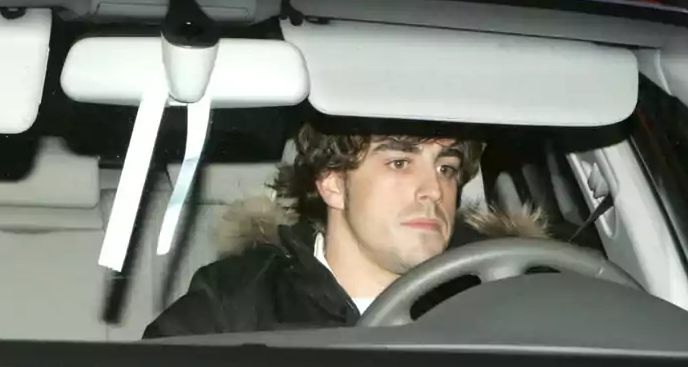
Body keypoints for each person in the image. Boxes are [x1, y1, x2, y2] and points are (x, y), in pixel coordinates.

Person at [144, 122, 548, 338]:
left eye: (446, 169)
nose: (434, 190)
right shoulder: (239, 300)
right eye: (400, 163)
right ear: (333, 184)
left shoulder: (502, 296)